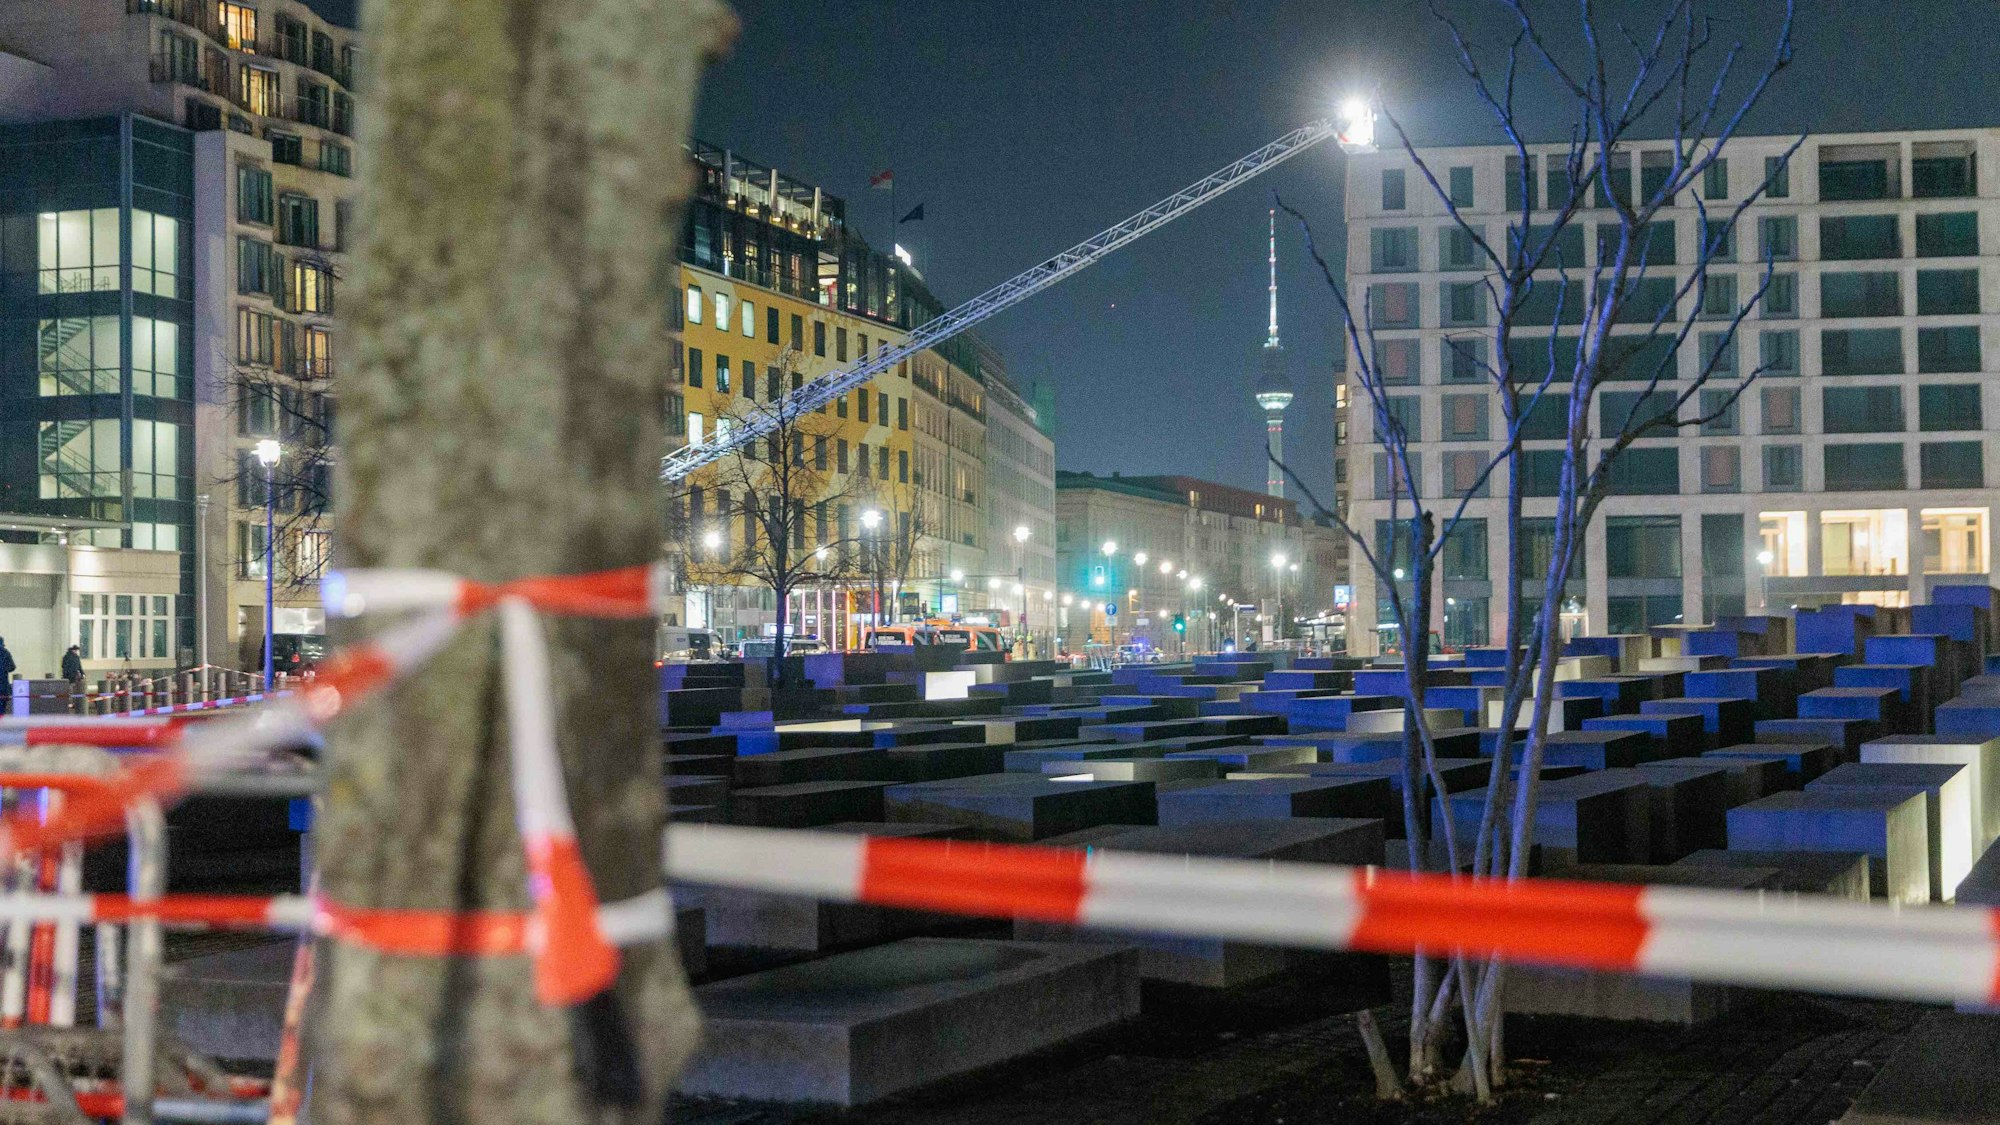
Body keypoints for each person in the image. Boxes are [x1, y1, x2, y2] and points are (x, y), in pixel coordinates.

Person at [61, 645, 84, 712]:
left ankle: (73, 703)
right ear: (72, 650)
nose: (76, 651)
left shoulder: (75, 657)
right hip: (70, 677)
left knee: (73, 690)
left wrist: (82, 673)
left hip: (74, 677)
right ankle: (70, 703)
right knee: (71, 690)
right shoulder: (68, 657)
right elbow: (64, 667)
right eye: (75, 650)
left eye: (77, 650)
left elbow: (79, 667)